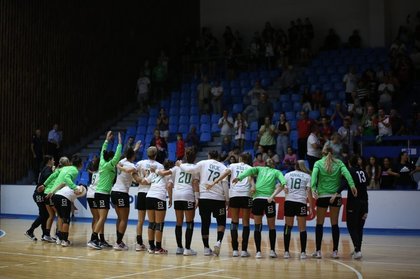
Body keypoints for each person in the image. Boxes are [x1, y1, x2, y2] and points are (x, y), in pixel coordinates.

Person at [178, 151, 229, 256]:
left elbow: (190, 170)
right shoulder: (223, 166)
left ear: (209, 155)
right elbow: (225, 184)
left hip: (204, 198)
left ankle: (206, 248)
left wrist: (180, 164)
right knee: (221, 222)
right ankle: (218, 241)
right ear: (218, 156)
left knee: (205, 223)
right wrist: (227, 199)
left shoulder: (203, 163)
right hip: (218, 199)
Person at [233, 158, 286, 259]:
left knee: (258, 227)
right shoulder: (276, 171)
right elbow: (282, 180)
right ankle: (272, 251)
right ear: (274, 164)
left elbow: (248, 171)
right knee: (272, 227)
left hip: (257, 200)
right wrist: (284, 184)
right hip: (269, 200)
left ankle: (258, 252)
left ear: (265, 164)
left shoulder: (259, 169)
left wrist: (239, 177)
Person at [311, 146, 357, 259]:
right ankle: (335, 251)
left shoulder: (318, 163)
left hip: (322, 196)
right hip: (335, 196)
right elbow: (347, 174)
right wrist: (352, 185)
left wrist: (313, 188)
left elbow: (314, 176)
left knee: (319, 224)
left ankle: (318, 252)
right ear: (333, 153)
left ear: (322, 153)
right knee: (334, 224)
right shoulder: (339, 163)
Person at [207, 153, 254, 257]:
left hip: (234, 195)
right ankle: (244, 251)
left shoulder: (232, 166)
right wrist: (253, 187)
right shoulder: (250, 167)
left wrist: (214, 182)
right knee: (246, 223)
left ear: (240, 158)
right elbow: (251, 180)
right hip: (246, 195)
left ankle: (235, 250)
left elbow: (224, 175)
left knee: (234, 222)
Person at [156, 147, 199, 256]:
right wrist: (197, 198)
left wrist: (156, 171)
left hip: (177, 195)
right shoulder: (195, 168)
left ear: (185, 155)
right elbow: (195, 183)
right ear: (194, 158)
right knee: (189, 222)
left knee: (178, 222)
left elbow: (166, 177)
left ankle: (179, 247)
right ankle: (187, 249)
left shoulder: (176, 167)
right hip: (188, 195)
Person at [88, 131, 122, 250]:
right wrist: (119, 144)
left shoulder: (102, 162)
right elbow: (117, 155)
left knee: (101, 218)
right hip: (102, 194)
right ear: (111, 159)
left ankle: (96, 239)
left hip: (100, 194)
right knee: (102, 218)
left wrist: (107, 140)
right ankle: (93, 239)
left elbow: (102, 151)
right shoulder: (109, 165)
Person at [46, 155, 85, 246]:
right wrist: (75, 187)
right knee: (66, 219)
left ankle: (59, 238)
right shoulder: (74, 170)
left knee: (60, 217)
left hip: (56, 195)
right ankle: (64, 240)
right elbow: (67, 179)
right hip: (62, 196)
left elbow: (61, 181)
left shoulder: (66, 168)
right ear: (80, 164)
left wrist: (51, 191)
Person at [334, 155, 368, 259]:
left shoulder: (349, 171)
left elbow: (344, 184)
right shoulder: (362, 171)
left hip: (354, 202)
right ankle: (358, 249)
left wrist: (336, 193)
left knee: (351, 226)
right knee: (359, 227)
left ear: (349, 162)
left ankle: (357, 250)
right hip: (365, 202)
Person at [111, 141, 142, 250]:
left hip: (114, 191)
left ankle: (119, 241)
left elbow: (129, 155)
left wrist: (135, 148)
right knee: (124, 219)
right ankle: (118, 243)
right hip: (122, 193)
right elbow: (130, 169)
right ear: (133, 156)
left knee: (119, 218)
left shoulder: (122, 161)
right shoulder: (131, 166)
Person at [283, 160, 315, 259]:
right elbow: (309, 193)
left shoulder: (287, 175)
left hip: (289, 202)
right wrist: (311, 207)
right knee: (302, 228)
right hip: (301, 202)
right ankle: (303, 253)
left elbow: (284, 188)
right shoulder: (307, 177)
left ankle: (286, 252)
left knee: (288, 227)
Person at [134, 146, 164, 252]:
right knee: (154, 222)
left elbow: (133, 171)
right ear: (156, 154)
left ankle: (139, 243)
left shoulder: (141, 163)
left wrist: (139, 179)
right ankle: (155, 245)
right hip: (152, 193)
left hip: (141, 192)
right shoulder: (159, 165)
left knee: (140, 220)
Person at [141, 162, 173, 254]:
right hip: (159, 197)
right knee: (159, 224)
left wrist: (139, 175)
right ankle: (158, 248)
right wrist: (170, 198)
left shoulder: (154, 173)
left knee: (151, 223)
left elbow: (144, 181)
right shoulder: (169, 174)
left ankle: (151, 247)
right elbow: (169, 186)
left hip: (149, 197)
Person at [40, 156, 70, 242]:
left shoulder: (56, 170)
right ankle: (59, 236)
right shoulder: (63, 171)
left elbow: (51, 178)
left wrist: (44, 185)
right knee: (60, 216)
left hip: (47, 193)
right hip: (52, 193)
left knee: (51, 215)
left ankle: (47, 234)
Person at [25, 155, 54, 241]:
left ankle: (45, 234)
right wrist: (54, 172)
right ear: (49, 160)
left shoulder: (44, 168)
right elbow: (48, 178)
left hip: (39, 194)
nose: (54, 162)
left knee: (45, 215)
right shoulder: (48, 169)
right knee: (44, 215)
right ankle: (30, 231)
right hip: (39, 194)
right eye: (53, 160)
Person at [86, 156, 110, 248]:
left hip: (90, 193)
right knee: (99, 218)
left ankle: (100, 239)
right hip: (95, 194)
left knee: (97, 218)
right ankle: (95, 239)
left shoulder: (95, 171)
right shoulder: (102, 171)